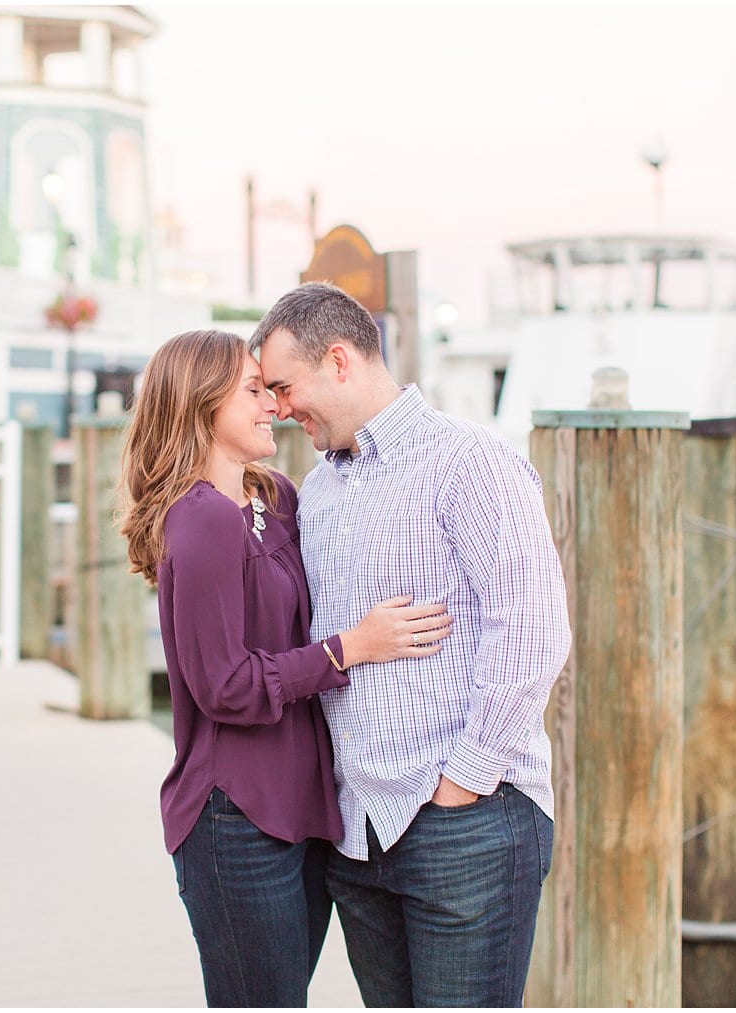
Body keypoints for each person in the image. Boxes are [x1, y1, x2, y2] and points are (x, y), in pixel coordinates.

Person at [250, 282, 572, 1008]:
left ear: (337, 360)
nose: (276, 407)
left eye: (281, 386)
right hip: (359, 836)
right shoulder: (319, 489)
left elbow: (533, 630)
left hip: (463, 822)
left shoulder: (470, 462)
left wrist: (462, 782)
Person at [117, 329, 454, 1008]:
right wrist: (347, 650)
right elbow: (223, 684)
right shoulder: (200, 519)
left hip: (302, 809)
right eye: (252, 389)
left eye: (272, 388)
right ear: (200, 403)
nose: (271, 403)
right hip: (235, 815)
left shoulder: (273, 497)